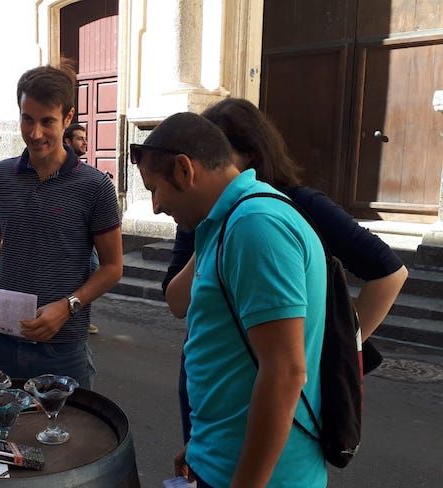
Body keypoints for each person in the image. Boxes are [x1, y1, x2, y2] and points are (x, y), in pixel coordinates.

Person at [164, 98, 409, 445]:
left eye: (217, 153)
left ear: (249, 155)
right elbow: (176, 303)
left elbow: (390, 273)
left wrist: (332, 347)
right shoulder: (194, 210)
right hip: (210, 377)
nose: (202, 167)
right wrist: (210, 229)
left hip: (274, 383)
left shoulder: (295, 204)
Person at [132, 112, 328, 487]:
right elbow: (187, 309)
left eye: (154, 188)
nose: (156, 206)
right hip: (220, 457)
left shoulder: (256, 225)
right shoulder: (225, 221)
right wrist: (204, 445)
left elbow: (285, 372)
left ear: (185, 170)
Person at [0, 64, 123, 390]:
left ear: (68, 117)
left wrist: (68, 306)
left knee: (66, 436)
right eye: (26, 119)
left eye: (47, 121)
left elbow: (113, 267)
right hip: (0, 340)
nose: (35, 133)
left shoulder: (95, 187)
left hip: (62, 346)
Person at [63, 123, 101, 335]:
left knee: (91, 271)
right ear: (67, 141)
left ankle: (79, 316)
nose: (85, 142)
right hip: (73, 237)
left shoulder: (87, 173)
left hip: (89, 236)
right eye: (80, 138)